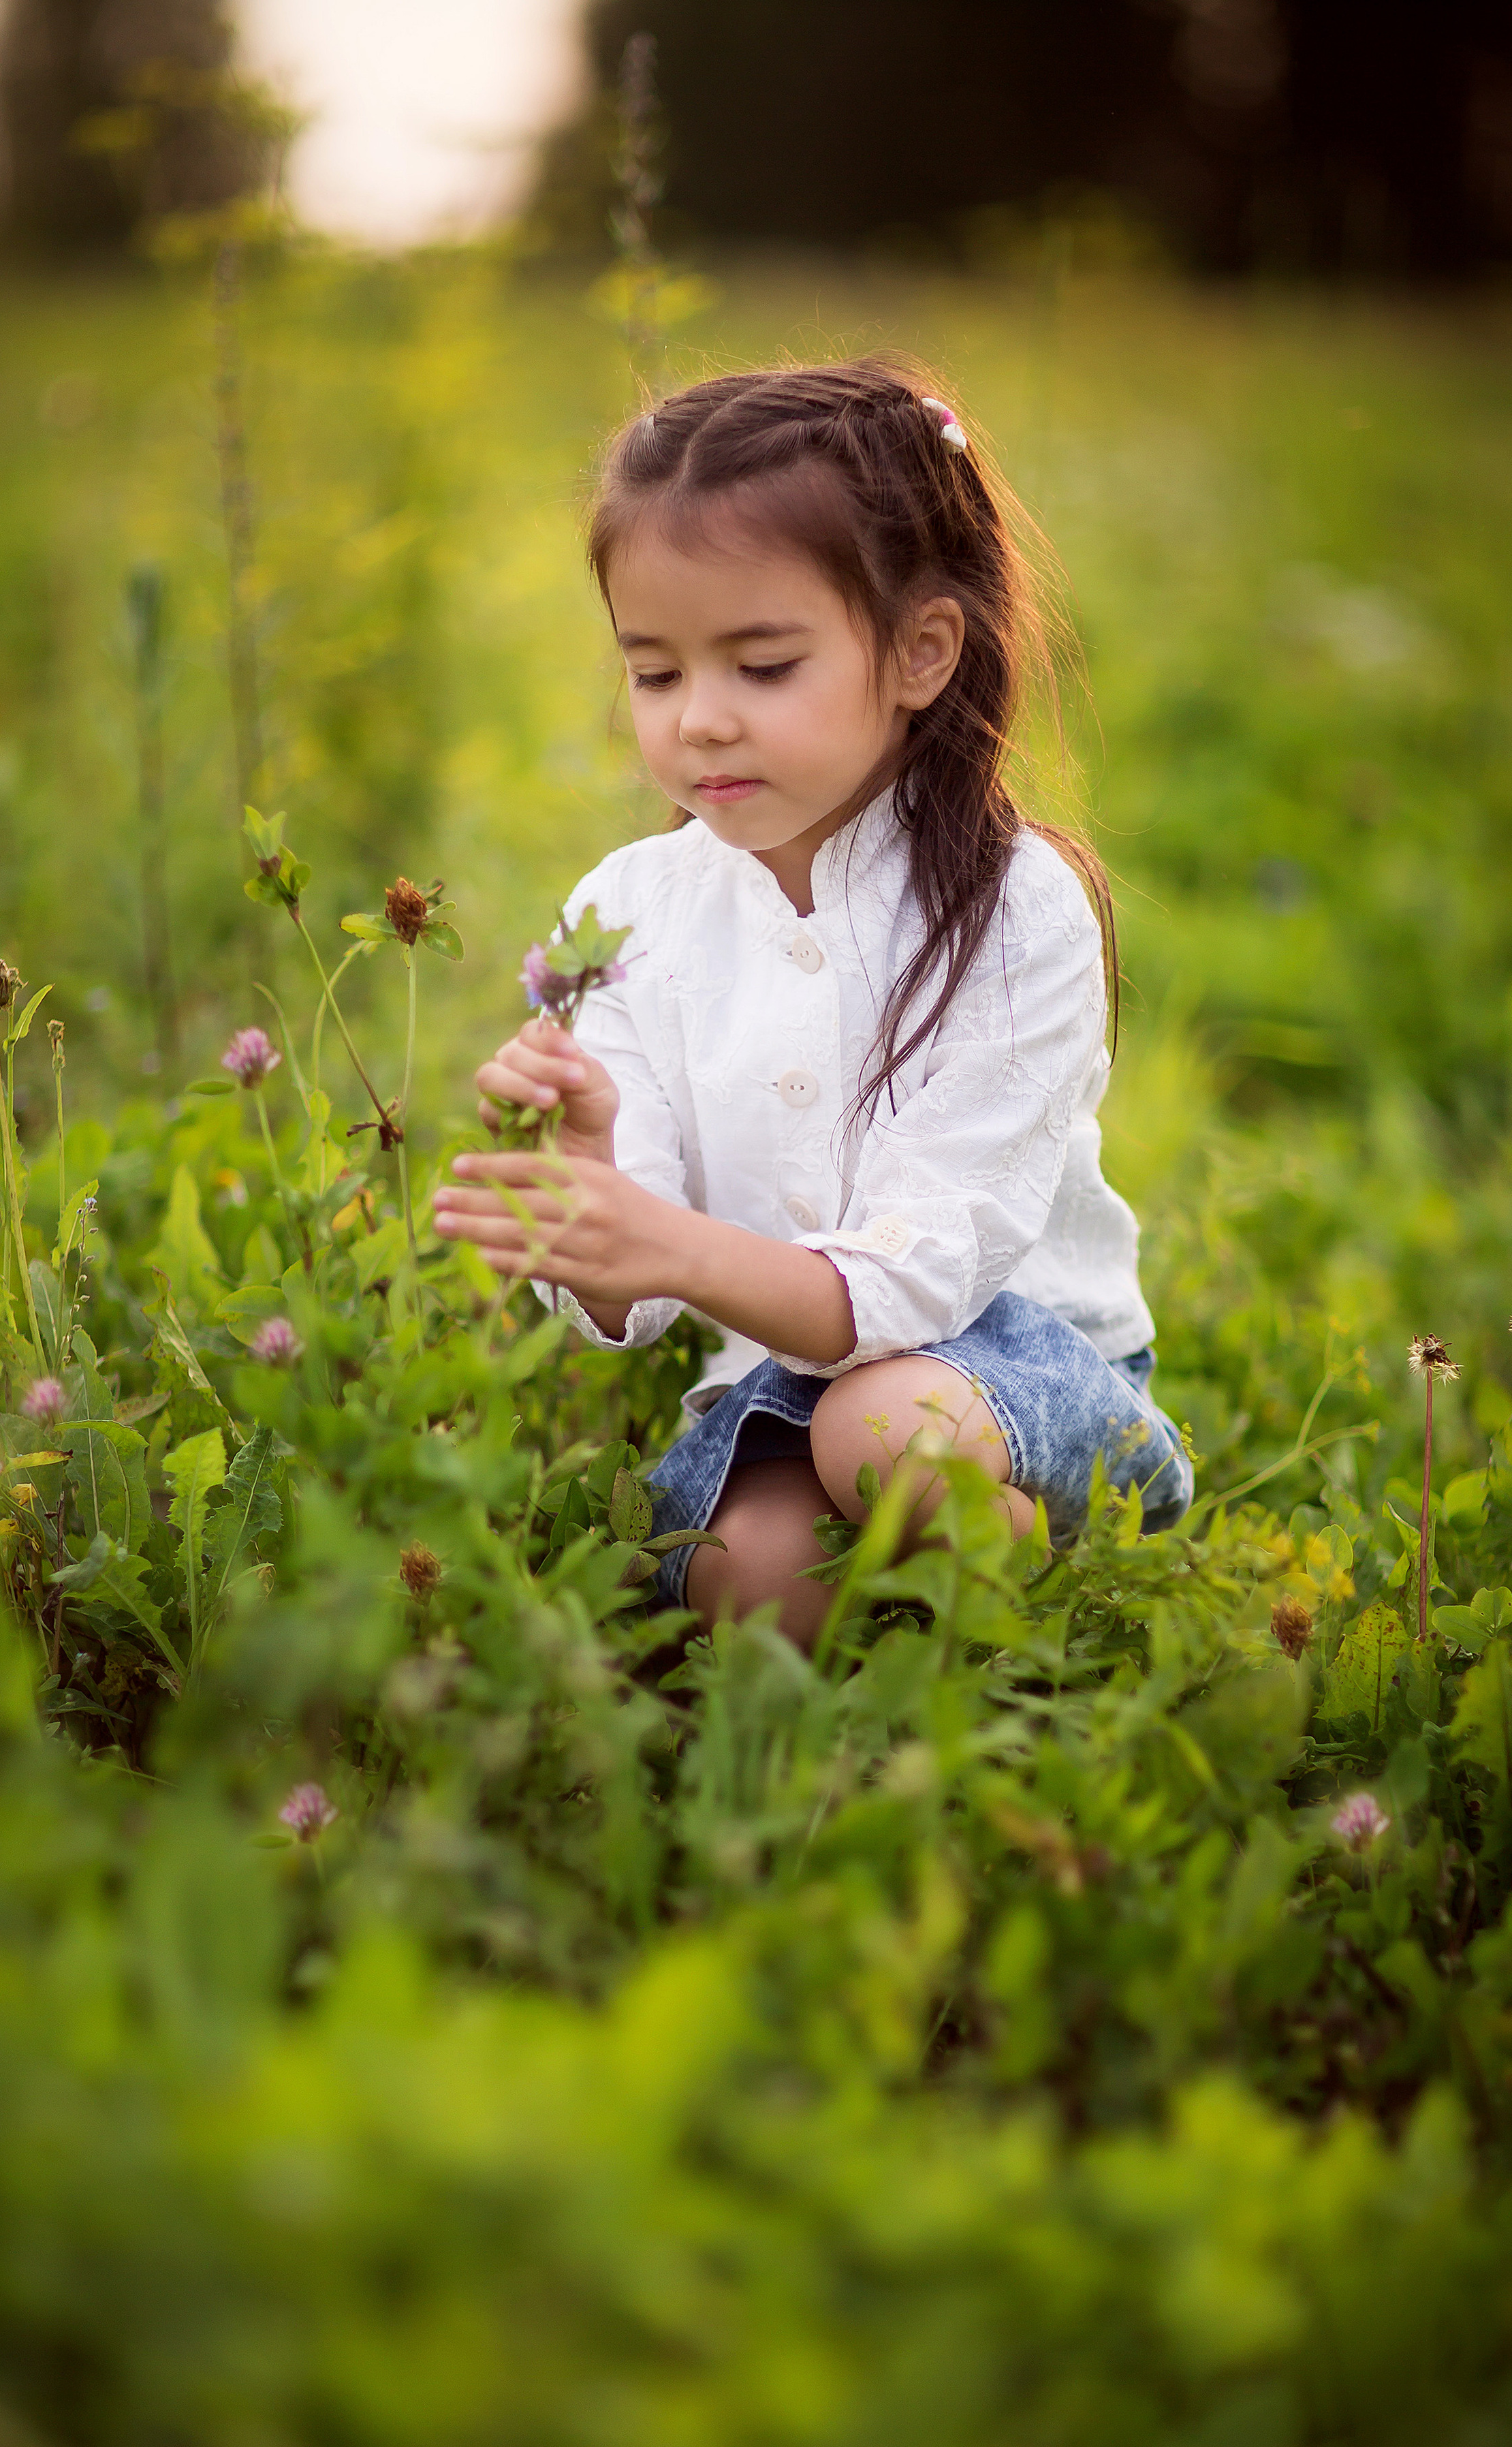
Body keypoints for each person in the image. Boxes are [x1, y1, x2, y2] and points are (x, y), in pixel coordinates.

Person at [431, 360, 1190, 1649]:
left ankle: (1041, 1556)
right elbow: (640, 1305)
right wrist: (591, 1173)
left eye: (764, 667)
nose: (701, 723)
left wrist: (672, 1246)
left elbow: (918, 1278)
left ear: (920, 653)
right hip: (776, 1385)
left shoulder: (1016, 909)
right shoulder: (628, 913)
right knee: (750, 1578)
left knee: (884, 1427)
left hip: (1021, 1379)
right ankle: (936, 1597)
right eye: (656, 675)